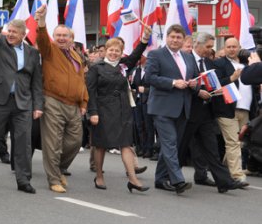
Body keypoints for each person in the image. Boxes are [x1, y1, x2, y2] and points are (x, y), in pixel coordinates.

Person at [0, 3, 44, 194]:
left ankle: (23, 180)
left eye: (14, 32)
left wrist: (38, 105)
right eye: (9, 31)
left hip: (23, 102)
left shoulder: (32, 53)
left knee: (23, 141)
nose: (10, 35)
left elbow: (37, 82)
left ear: (23, 35)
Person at [176, 33, 246, 194]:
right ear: (198, 45)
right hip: (190, 110)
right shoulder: (186, 59)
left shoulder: (209, 62)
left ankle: (224, 182)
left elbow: (213, 83)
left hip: (207, 111)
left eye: (211, 46)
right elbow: (184, 83)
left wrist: (218, 89)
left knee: (211, 148)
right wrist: (197, 92)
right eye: (208, 47)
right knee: (181, 146)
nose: (210, 50)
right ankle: (168, 176)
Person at [34, 4, 88, 193]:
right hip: (53, 100)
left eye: (65, 36)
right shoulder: (50, 50)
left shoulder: (76, 56)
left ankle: (58, 167)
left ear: (72, 39)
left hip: (74, 104)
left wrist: (84, 102)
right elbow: (41, 39)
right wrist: (41, 21)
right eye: (58, 35)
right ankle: (53, 179)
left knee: (76, 140)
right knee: (53, 142)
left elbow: (81, 80)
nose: (61, 38)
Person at [87, 36, 150, 193]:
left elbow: (136, 55)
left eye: (117, 51)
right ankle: (99, 175)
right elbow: (90, 92)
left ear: (122, 53)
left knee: (126, 144)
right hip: (103, 111)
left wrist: (143, 40)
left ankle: (133, 179)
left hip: (123, 111)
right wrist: (93, 112)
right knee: (100, 145)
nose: (114, 53)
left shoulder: (124, 66)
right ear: (105, 51)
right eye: (111, 50)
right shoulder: (96, 68)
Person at [144, 24, 196, 194]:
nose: (175, 40)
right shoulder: (156, 54)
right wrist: (173, 82)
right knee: (170, 143)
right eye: (172, 36)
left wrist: (195, 84)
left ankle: (160, 179)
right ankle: (178, 180)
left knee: (171, 145)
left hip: (183, 108)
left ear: (183, 40)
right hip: (162, 107)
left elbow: (194, 78)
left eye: (178, 37)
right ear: (166, 37)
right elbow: (150, 78)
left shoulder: (188, 57)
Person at [214, 37, 256, 184]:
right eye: (228, 47)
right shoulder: (219, 63)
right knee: (233, 143)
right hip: (227, 109)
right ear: (224, 48)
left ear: (239, 47)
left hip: (245, 110)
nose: (231, 49)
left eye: (234, 46)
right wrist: (231, 78)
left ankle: (225, 169)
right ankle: (237, 176)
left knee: (238, 143)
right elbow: (216, 85)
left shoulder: (247, 64)